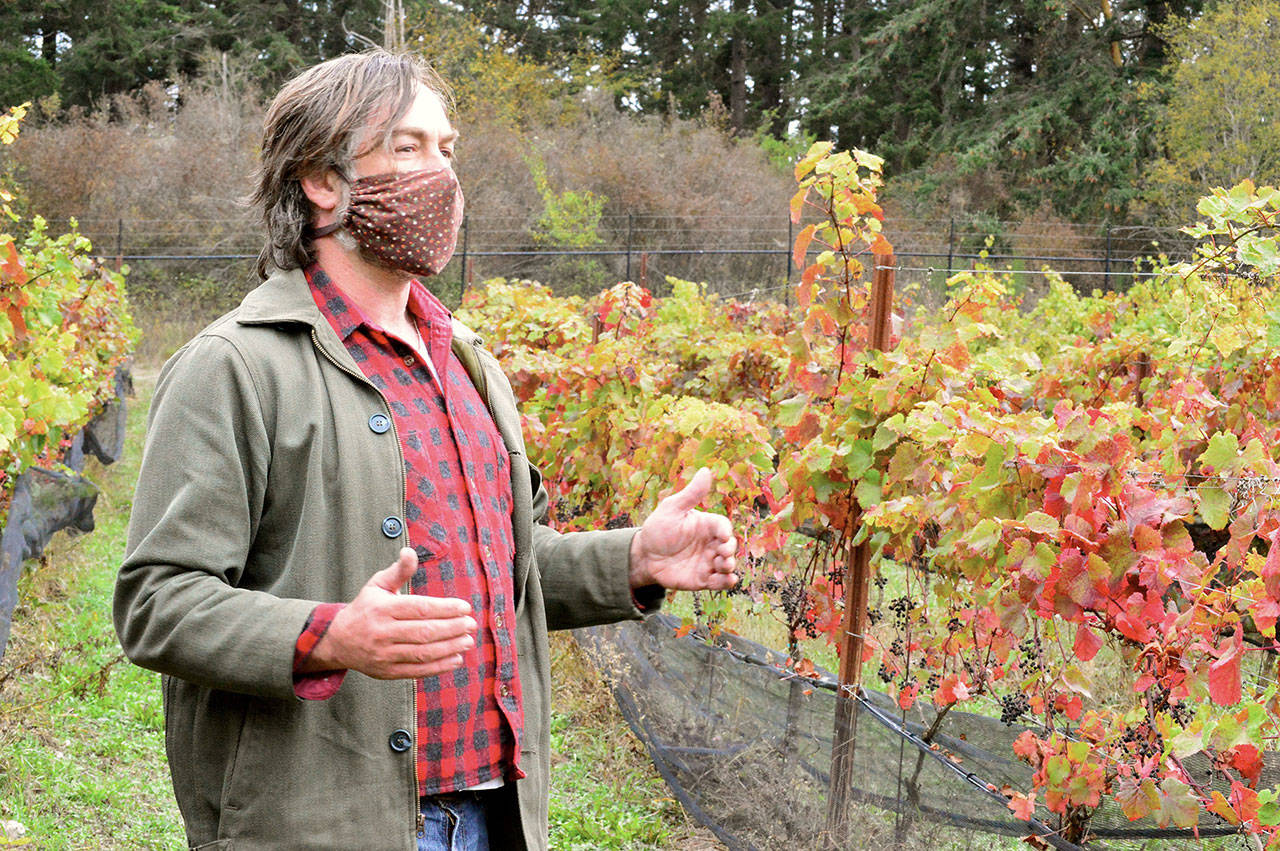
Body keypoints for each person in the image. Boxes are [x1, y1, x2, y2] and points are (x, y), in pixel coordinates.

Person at [113, 50, 738, 851]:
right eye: (406, 147)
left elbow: (504, 568)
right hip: (324, 824)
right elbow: (156, 602)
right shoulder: (234, 366)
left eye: (446, 149)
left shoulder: (465, 358)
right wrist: (328, 635)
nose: (439, 174)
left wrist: (635, 561)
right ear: (321, 179)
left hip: (494, 814)